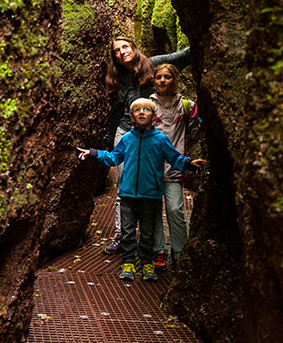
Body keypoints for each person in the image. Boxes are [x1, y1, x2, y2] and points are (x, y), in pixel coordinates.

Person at [78, 98, 206, 282]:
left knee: (148, 232)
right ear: (131, 117)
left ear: (154, 116)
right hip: (128, 194)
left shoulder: (161, 140)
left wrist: (189, 163)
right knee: (128, 232)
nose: (142, 112)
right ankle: (128, 262)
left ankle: (147, 262)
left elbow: (174, 158)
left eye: (147, 109)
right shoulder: (127, 139)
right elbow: (114, 158)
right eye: (137, 110)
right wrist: (93, 153)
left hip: (151, 195)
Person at [102, 38, 191, 255]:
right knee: (125, 184)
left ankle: (156, 242)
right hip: (127, 134)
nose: (122, 52)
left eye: (125, 47)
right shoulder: (118, 79)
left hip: (154, 133)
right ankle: (122, 235)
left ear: (134, 48)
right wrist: (109, 138)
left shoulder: (154, 64)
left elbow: (185, 56)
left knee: (155, 190)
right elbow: (115, 112)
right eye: (116, 51)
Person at [150, 64, 200, 270]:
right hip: (150, 167)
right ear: (154, 80)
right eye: (159, 77)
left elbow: (195, 133)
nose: (162, 81)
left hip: (175, 166)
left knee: (175, 209)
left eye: (167, 77)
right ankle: (159, 251)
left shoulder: (186, 105)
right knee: (152, 212)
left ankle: (179, 251)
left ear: (175, 80)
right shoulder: (147, 105)